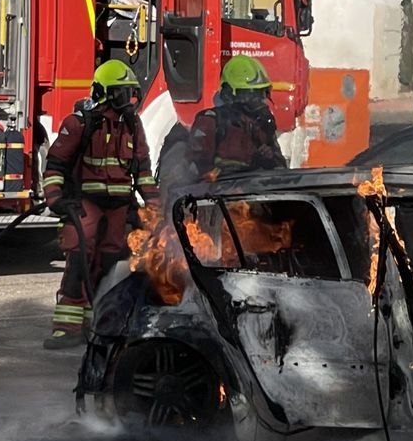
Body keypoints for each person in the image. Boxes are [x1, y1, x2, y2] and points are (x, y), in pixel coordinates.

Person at [40, 59, 159, 349]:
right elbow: (55, 165)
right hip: (85, 205)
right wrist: (56, 199)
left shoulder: (132, 125)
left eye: (131, 92)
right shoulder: (80, 123)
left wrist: (156, 207)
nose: (128, 100)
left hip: (117, 207)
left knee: (107, 265)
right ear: (105, 93)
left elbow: (142, 171)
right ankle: (67, 327)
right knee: (80, 262)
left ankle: (95, 322)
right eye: (122, 93)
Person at [187, 54, 288, 177]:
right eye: (249, 95)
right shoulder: (211, 122)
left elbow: (282, 171)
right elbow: (196, 170)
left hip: (257, 192)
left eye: (260, 94)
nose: (256, 102)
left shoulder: (262, 125)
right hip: (221, 193)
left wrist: (269, 158)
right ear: (229, 94)